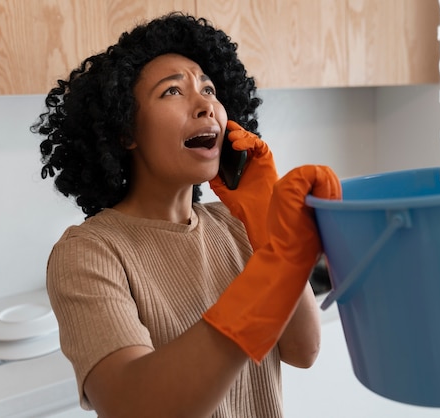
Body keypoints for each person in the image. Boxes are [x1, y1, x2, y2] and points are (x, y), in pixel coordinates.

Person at [31, 12, 341, 418]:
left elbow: (303, 350)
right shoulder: (89, 253)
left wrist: (269, 226)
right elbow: (133, 404)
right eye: (172, 92)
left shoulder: (236, 227)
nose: (205, 105)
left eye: (209, 88)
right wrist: (278, 262)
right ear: (126, 131)